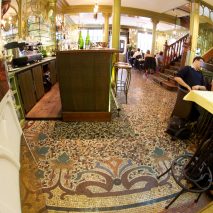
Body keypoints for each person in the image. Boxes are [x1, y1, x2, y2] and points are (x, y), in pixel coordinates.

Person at [171, 56, 206, 120]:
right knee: (203, 110)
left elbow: (204, 87)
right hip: (186, 95)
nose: (202, 65)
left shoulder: (200, 73)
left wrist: (198, 86)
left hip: (197, 97)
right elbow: (176, 78)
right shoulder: (187, 68)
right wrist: (187, 86)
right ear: (195, 61)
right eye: (201, 62)